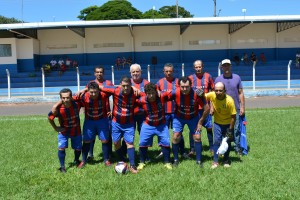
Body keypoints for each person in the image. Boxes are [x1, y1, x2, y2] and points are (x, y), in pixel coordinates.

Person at [99, 76, 140, 174]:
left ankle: (133, 165)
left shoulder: (135, 93)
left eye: (128, 86)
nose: (126, 88)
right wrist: (84, 89)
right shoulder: (115, 90)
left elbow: (148, 94)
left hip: (129, 123)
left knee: (130, 143)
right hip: (116, 123)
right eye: (124, 86)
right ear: (120, 85)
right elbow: (99, 87)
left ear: (131, 85)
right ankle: (121, 160)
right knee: (116, 143)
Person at [170, 76, 209, 167]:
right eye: (182, 87)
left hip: (193, 118)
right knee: (176, 137)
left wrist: (200, 122)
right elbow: (161, 97)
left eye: (187, 87)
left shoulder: (197, 93)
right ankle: (175, 160)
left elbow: (207, 109)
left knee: (197, 137)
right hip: (179, 118)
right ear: (179, 86)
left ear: (191, 85)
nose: (184, 89)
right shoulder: (174, 92)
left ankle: (199, 160)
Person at [77, 66, 114, 162]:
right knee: (90, 135)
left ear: (103, 73)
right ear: (94, 73)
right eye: (97, 72)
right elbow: (85, 95)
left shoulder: (108, 83)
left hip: (105, 114)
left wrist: (113, 109)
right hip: (91, 115)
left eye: (101, 72)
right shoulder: (90, 83)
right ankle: (90, 153)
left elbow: (115, 93)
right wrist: (84, 90)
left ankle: (109, 155)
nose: (99, 74)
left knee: (107, 135)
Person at [136, 83, 172, 170]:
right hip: (148, 125)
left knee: (166, 142)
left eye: (153, 93)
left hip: (161, 125)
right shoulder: (141, 100)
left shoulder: (162, 96)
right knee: (142, 143)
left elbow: (173, 92)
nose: (151, 96)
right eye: (149, 93)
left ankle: (167, 162)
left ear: (156, 92)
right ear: (146, 93)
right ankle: (142, 162)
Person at [155, 63, 188, 160]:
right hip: (163, 112)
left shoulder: (178, 82)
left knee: (178, 133)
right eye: (166, 71)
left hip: (176, 112)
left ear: (173, 71)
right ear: (163, 72)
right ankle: (163, 151)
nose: (168, 73)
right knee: (162, 132)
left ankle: (182, 151)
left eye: (170, 71)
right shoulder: (159, 83)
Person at [215, 59, 245, 156]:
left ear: (230, 66)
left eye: (228, 65)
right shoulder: (218, 79)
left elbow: (240, 93)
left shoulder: (237, 78)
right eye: (224, 65)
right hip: (221, 110)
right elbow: (214, 95)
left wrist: (242, 107)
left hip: (235, 108)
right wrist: (212, 107)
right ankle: (222, 147)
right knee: (222, 129)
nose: (226, 67)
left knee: (235, 129)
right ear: (222, 67)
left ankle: (237, 147)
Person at [48, 88, 82, 173]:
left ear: (71, 97)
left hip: (76, 130)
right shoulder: (58, 108)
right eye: (63, 98)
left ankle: (76, 160)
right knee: (61, 148)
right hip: (64, 132)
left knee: (78, 148)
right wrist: (56, 128)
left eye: (67, 97)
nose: (65, 99)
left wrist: (84, 89)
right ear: (60, 98)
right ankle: (62, 167)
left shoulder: (77, 103)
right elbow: (50, 117)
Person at [205, 82, 236, 168]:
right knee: (217, 141)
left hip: (228, 124)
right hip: (217, 123)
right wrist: (198, 92)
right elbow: (202, 96)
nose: (218, 92)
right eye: (216, 90)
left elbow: (233, 116)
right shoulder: (212, 95)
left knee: (227, 142)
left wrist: (230, 129)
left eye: (220, 91)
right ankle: (215, 161)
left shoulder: (229, 100)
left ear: (224, 91)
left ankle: (226, 160)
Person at [189, 60, 215, 156]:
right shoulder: (190, 78)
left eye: (199, 66)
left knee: (209, 128)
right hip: (194, 109)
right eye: (196, 67)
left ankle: (212, 147)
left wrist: (212, 107)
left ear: (202, 66)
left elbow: (213, 92)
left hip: (206, 108)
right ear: (194, 68)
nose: (198, 68)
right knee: (193, 129)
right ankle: (192, 149)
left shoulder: (209, 76)